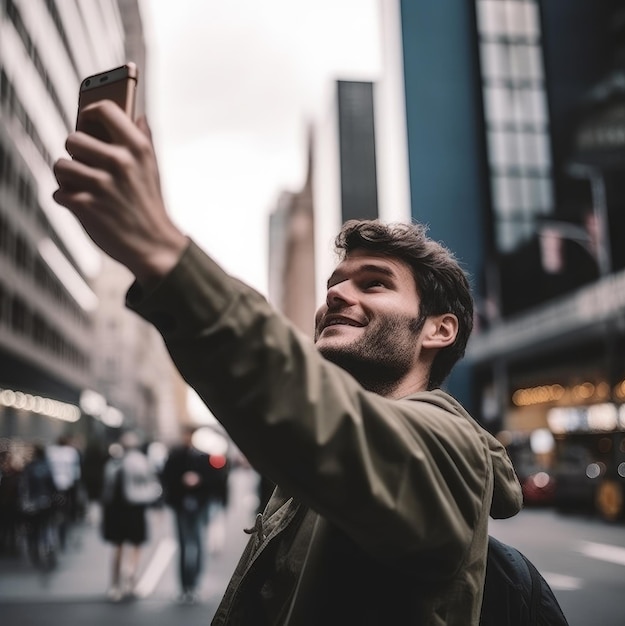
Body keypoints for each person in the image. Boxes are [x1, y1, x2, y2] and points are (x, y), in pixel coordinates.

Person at [53, 100, 523, 624]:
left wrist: (161, 251)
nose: (339, 296)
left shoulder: (451, 449)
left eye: (374, 283)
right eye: (335, 284)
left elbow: (324, 420)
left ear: (439, 329)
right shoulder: (321, 445)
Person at [161, 425, 229, 603]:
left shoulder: (203, 457)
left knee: (197, 542)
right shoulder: (175, 456)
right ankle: (185, 585)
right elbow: (166, 478)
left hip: (199, 505)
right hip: (181, 505)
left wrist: (199, 481)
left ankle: (194, 584)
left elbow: (215, 480)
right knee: (184, 544)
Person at [100, 431, 161, 602]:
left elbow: (107, 488)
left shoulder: (114, 463)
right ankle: (129, 580)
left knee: (120, 547)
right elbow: (152, 484)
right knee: (134, 546)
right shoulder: (141, 461)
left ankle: (118, 584)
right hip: (134, 509)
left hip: (119, 510)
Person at [46, 434, 83, 548]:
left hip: (53, 487)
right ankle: (62, 534)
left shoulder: (51, 451)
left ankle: (54, 533)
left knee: (54, 510)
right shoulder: (71, 452)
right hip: (67, 487)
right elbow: (76, 472)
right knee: (64, 511)